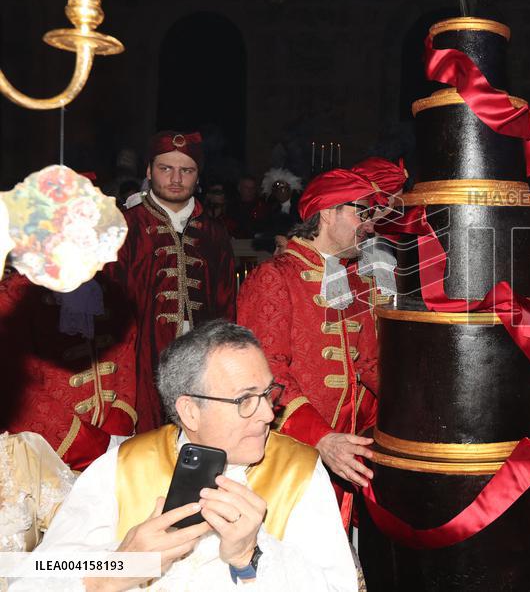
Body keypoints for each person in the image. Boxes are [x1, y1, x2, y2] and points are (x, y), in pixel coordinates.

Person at [14, 320, 359, 591]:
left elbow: (337, 586)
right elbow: (37, 576)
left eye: (269, 393)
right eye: (246, 400)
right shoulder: (124, 466)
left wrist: (249, 555)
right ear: (190, 412)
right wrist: (118, 568)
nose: (268, 414)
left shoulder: (298, 471)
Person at [236, 158, 406, 522]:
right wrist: (322, 438)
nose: (370, 224)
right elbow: (268, 374)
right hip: (288, 454)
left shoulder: (355, 280)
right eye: (363, 212)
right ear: (328, 212)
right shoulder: (274, 277)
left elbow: (369, 364)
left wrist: (416, 408)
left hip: (346, 454)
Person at [104, 131, 236, 431]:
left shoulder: (214, 232)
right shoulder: (125, 226)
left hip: (201, 359)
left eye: (186, 170)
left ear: (197, 176)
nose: (176, 178)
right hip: (139, 360)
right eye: (166, 169)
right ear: (149, 172)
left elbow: (227, 305)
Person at [0, 273, 138, 471]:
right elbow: (13, 384)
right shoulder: (14, 294)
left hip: (111, 445)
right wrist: (87, 445)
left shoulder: (110, 290)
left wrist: (117, 429)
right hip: (40, 456)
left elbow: (125, 359)